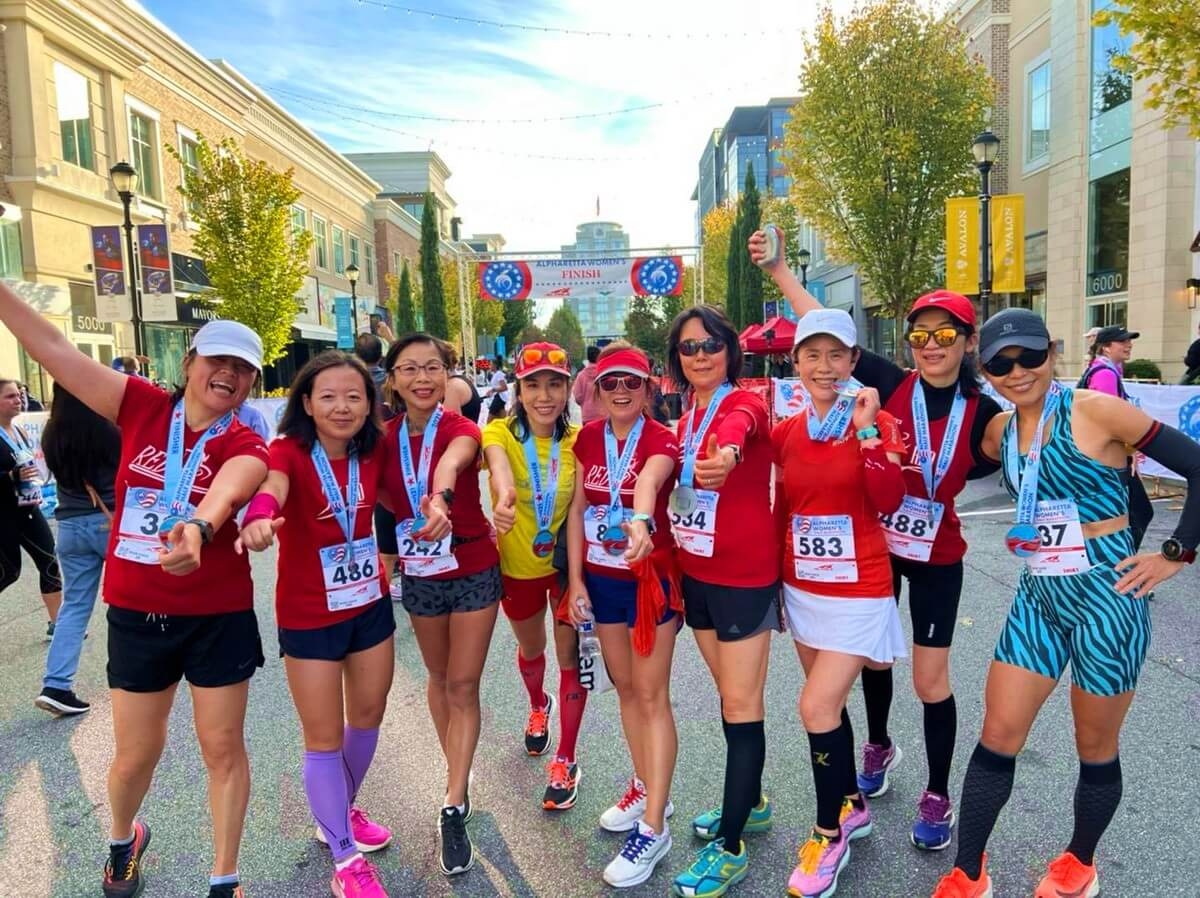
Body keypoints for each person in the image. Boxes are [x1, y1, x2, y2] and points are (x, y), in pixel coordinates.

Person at [0, 282, 270, 898]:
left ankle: (225, 878)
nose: (228, 374)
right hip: (138, 614)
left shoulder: (246, 440)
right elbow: (52, 348)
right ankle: (123, 839)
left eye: (243, 369)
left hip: (217, 616)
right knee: (134, 756)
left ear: (251, 382)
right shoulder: (141, 405)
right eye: (217, 360)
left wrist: (200, 525)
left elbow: (234, 482)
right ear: (190, 363)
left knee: (223, 748)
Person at [931, 307, 1200, 898]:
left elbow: (1197, 463)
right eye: (1001, 364)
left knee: (1094, 745)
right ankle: (968, 871)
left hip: (1108, 596)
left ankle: (1080, 862)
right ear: (986, 369)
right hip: (1040, 595)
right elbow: (938, 435)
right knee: (997, 732)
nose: (1018, 371)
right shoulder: (1000, 432)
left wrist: (1175, 553)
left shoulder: (1095, 409)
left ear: (1052, 352)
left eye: (1030, 356)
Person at [754, 225, 1004, 854]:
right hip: (876, 542)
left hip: (936, 550)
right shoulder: (892, 385)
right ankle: (878, 744)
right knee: (870, 660)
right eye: (920, 336)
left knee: (930, 679)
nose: (931, 346)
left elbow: (1025, 446)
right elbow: (823, 332)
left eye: (945, 335)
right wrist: (780, 271)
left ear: (968, 341)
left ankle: (938, 792)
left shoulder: (983, 413)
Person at [238, 351, 394, 898]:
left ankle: (340, 810)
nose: (342, 407)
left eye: (354, 396)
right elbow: (272, 488)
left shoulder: (373, 450)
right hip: (310, 614)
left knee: (368, 716)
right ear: (306, 403)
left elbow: (403, 493)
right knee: (323, 736)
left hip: (369, 604)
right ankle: (345, 858)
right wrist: (259, 517)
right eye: (328, 396)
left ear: (369, 403)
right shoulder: (288, 450)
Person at [771, 308, 907, 898]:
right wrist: (774, 583)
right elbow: (784, 509)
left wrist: (868, 430)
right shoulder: (787, 432)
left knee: (815, 707)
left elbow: (890, 498)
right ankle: (851, 802)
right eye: (812, 355)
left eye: (836, 355)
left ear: (854, 360)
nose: (824, 367)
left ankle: (829, 835)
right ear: (796, 362)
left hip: (860, 590)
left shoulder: (879, 421)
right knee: (829, 708)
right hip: (804, 588)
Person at [662, 305, 781, 898]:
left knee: (741, 703)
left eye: (711, 344)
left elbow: (739, 430)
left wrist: (728, 455)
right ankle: (751, 803)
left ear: (730, 351)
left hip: (743, 578)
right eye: (688, 347)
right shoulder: (685, 419)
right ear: (676, 359)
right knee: (730, 697)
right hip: (698, 577)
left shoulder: (745, 403)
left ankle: (730, 846)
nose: (701, 355)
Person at [380, 332, 502, 877]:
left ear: (448, 375)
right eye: (409, 368)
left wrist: (441, 497)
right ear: (393, 380)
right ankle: (459, 770)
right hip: (421, 572)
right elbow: (375, 493)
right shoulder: (380, 439)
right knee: (437, 676)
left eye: (433, 367)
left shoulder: (460, 428)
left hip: (472, 565)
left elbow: (452, 462)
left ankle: (452, 804)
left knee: (463, 683)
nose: (423, 378)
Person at [566, 342, 681, 888]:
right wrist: (574, 580)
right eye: (609, 382)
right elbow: (578, 511)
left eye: (631, 382)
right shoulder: (587, 438)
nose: (619, 391)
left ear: (648, 389)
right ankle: (646, 785)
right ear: (596, 388)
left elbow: (650, 481)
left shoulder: (661, 439)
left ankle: (655, 826)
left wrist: (640, 521)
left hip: (649, 583)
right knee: (627, 690)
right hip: (601, 581)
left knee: (652, 696)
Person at [479, 343, 588, 811]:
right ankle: (538, 705)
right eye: (533, 385)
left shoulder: (581, 440)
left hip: (565, 569)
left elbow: (582, 509)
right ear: (518, 391)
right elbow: (499, 469)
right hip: (517, 568)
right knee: (531, 649)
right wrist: (504, 497)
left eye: (554, 385)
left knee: (570, 659)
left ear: (568, 389)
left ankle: (566, 759)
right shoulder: (499, 433)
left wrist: (579, 579)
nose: (544, 396)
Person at [35, 384, 120, 715]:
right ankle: (139, 674)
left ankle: (56, 684)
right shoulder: (109, 429)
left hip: (70, 525)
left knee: (74, 606)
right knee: (129, 600)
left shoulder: (51, 433)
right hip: (110, 521)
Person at [1078, 325, 1154, 550]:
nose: (1129, 345)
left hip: (1099, 455)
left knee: (1116, 515)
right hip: (1107, 458)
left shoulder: (1102, 369)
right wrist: (1129, 453)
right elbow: (1110, 421)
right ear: (1106, 347)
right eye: (1122, 341)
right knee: (1137, 513)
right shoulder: (1105, 374)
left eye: (1129, 340)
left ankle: (1114, 563)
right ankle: (1119, 565)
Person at [0, 378, 62, 638]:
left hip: (28, 508)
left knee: (49, 562)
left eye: (19, 395)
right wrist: (11, 477)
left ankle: (58, 624)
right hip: (3, 514)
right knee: (9, 571)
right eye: (10, 396)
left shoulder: (19, 430)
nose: (18, 400)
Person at [356, 332, 402, 597]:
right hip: (398, 455)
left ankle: (380, 585)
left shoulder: (353, 381)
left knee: (374, 520)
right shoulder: (392, 380)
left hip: (362, 458)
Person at [572, 345, 603, 424]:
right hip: (604, 415)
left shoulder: (581, 375)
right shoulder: (603, 374)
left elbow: (578, 397)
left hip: (587, 416)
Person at [485, 357, 511, 422]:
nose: (489, 366)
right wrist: (492, 391)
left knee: (489, 420)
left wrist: (492, 390)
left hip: (499, 398)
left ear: (495, 365)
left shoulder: (499, 374)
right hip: (500, 398)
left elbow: (504, 387)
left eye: (490, 364)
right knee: (502, 419)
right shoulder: (496, 374)